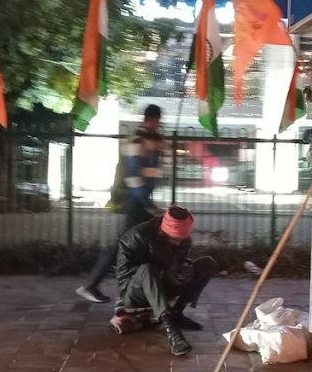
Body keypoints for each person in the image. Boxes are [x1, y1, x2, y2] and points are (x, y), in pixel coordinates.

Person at [76, 104, 166, 304]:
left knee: (138, 244)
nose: (160, 125)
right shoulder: (137, 141)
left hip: (141, 202)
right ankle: (95, 285)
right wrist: (147, 204)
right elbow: (133, 177)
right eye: (158, 121)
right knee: (123, 245)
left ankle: (139, 287)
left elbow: (150, 170)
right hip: (136, 203)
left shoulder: (149, 140)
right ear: (151, 119)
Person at [114, 206, 216, 356]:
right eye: (174, 239)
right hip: (134, 291)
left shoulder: (183, 239)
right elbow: (124, 275)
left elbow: (178, 261)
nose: (178, 243)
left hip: (164, 284)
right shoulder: (136, 236)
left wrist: (183, 269)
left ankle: (177, 312)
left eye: (182, 239)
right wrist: (164, 274)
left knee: (207, 264)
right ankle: (172, 331)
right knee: (148, 269)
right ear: (163, 231)